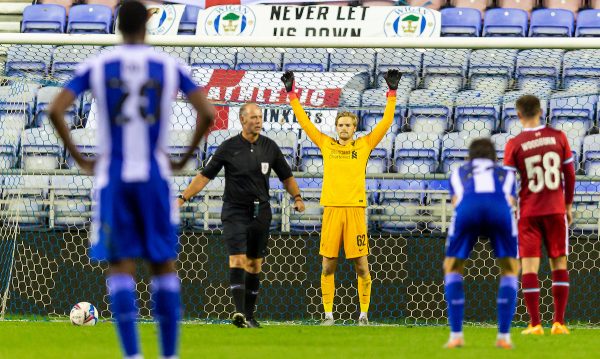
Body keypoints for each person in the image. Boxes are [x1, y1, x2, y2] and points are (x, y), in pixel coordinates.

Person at [49, 1, 214, 358]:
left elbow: (55, 108)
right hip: (154, 176)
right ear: (147, 26)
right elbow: (207, 113)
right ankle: (169, 355)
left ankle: (133, 356)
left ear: (117, 25)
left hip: (114, 177)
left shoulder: (98, 64)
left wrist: (81, 158)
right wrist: (183, 158)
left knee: (121, 264)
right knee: (162, 264)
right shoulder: (169, 65)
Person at [280, 69, 400, 325]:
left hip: (355, 210)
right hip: (332, 209)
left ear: (355, 129)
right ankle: (328, 315)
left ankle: (364, 314)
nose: (344, 128)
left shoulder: (364, 145)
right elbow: (305, 123)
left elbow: (387, 122)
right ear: (336, 128)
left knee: (362, 266)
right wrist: (292, 94)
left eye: (348, 125)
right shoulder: (327, 144)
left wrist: (392, 93)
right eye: (340, 125)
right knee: (327, 266)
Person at [177, 102, 305, 328]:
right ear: (242, 120)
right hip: (235, 210)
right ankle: (239, 313)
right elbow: (205, 176)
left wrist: (297, 197)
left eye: (260, 117)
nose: (258, 121)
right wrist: (182, 197)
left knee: (255, 265)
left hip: (261, 211)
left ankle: (250, 315)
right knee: (237, 258)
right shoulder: (228, 147)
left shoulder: (270, 147)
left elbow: (286, 176)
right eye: (253, 117)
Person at [503, 95, 576, 336]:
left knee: (530, 266)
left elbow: (507, 183)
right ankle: (559, 323)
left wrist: (509, 206)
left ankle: (535, 325)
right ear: (541, 111)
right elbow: (569, 174)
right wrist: (567, 206)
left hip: (529, 213)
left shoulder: (515, 143)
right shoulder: (559, 137)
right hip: (555, 210)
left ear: (518, 114)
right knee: (559, 262)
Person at [442, 138, 519, 350]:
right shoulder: (507, 174)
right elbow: (510, 202)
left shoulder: (459, 172)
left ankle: (456, 335)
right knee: (510, 269)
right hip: (499, 211)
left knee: (452, 266)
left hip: (468, 210)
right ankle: (503, 337)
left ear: (470, 157)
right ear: (495, 158)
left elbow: (457, 201)